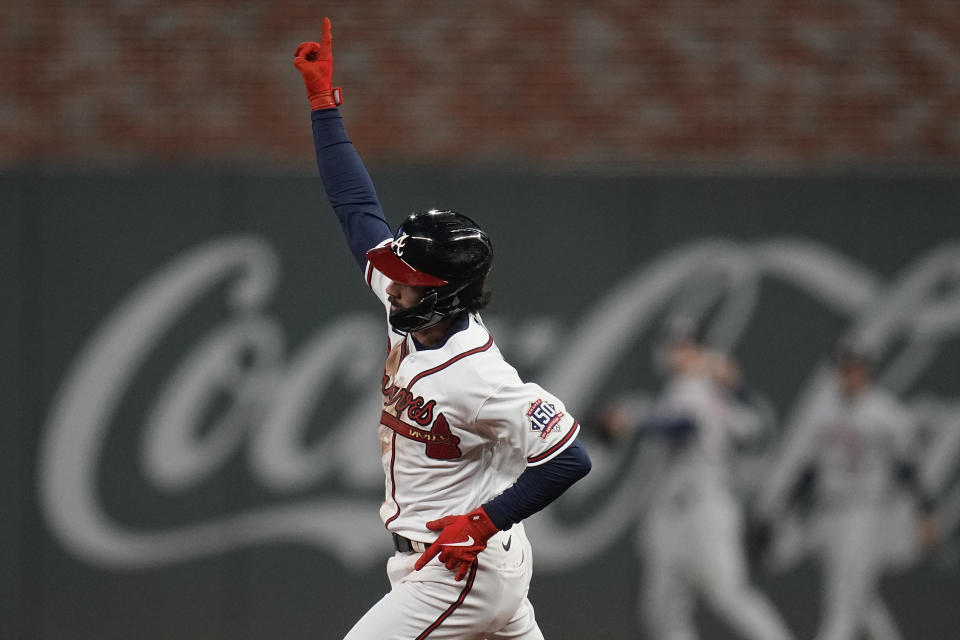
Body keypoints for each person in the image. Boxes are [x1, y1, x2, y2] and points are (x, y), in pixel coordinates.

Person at [292, 18, 591, 640]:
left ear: (443, 292)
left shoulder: (477, 375)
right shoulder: (411, 316)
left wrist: (482, 523)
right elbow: (356, 212)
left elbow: (570, 458)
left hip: (460, 569)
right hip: (451, 563)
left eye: (408, 276)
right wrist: (324, 106)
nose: (391, 279)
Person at [599, 320, 794, 640]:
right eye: (675, 345)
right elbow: (751, 426)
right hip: (671, 511)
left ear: (702, 350)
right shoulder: (688, 391)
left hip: (705, 506)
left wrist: (633, 421)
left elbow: (686, 427)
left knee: (728, 595)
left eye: (686, 345)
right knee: (663, 608)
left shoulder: (698, 387)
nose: (678, 352)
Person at [762, 343, 938, 640]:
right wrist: (785, 506)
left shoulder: (885, 411)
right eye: (843, 368)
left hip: (865, 511)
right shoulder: (824, 411)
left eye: (854, 368)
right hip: (831, 510)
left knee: (842, 600)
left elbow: (908, 466)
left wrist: (925, 511)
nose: (848, 374)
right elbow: (812, 470)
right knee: (859, 596)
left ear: (866, 370)